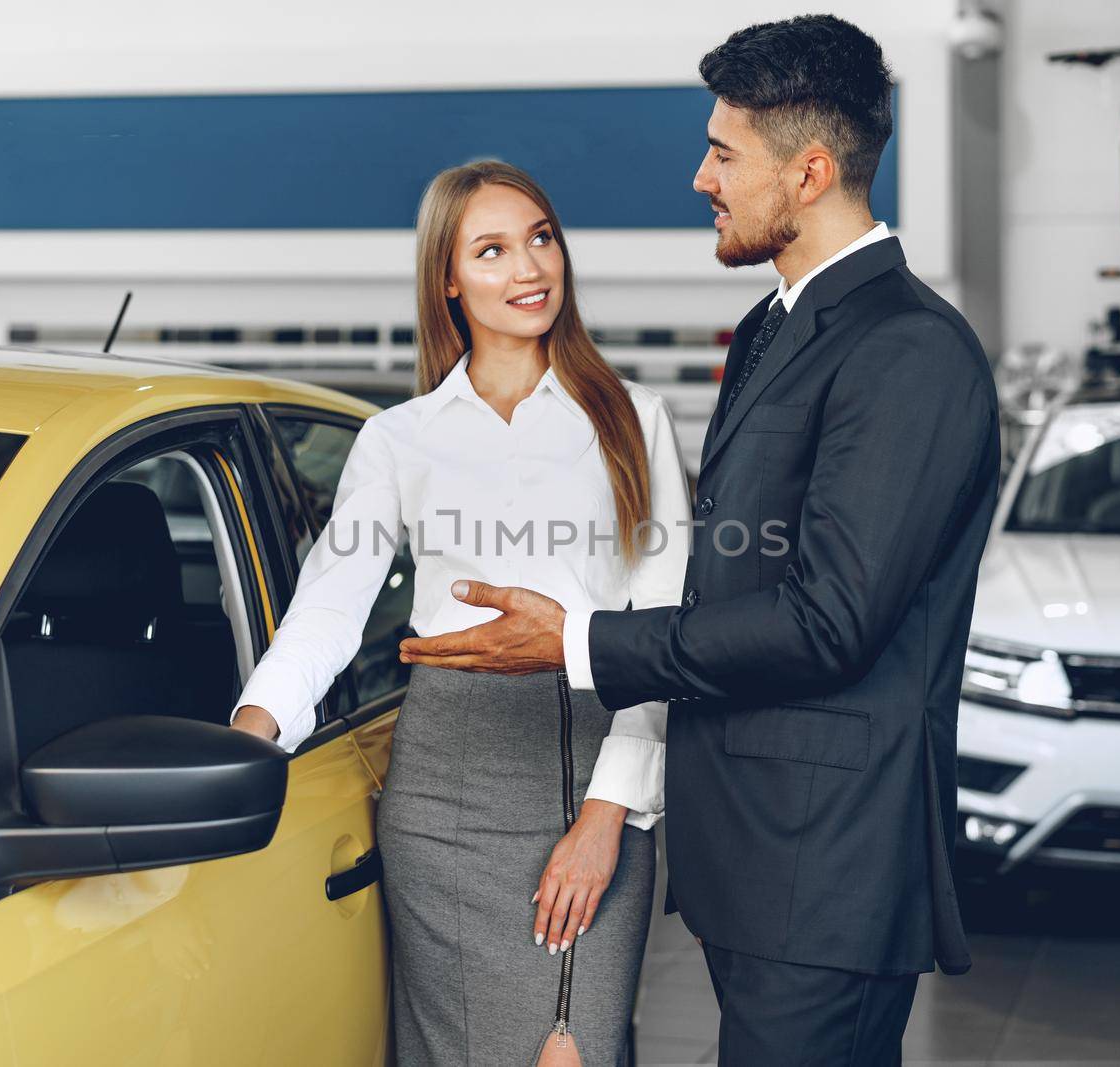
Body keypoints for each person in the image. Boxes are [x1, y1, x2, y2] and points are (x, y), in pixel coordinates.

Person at [398, 16, 1002, 1066]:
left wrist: (581, 641)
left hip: (828, 866)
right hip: (760, 858)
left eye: (724, 153)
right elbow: (731, 570)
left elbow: (829, 621)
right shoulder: (779, 324)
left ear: (808, 171)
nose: (699, 177)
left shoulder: (907, 350)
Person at [231, 160, 691, 1066]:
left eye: (541, 238)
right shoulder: (398, 439)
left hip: (586, 766)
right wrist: (246, 741)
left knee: (572, 1051)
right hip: (442, 787)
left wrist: (608, 816)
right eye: (492, 250)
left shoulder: (633, 419)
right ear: (448, 277)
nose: (529, 268)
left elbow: (662, 628)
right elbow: (328, 609)